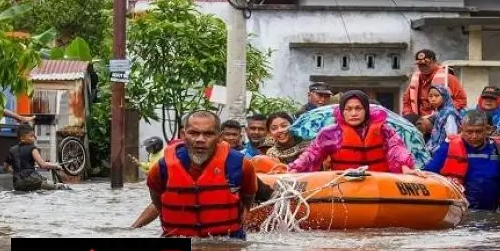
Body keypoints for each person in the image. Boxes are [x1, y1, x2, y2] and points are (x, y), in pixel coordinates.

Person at [141, 110, 273, 238]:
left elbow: (248, 195)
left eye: (208, 134)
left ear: (219, 137)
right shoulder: (161, 168)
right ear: (183, 134)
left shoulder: (241, 165)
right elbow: (157, 200)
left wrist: (243, 216)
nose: (200, 139)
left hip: (228, 242)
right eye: (193, 133)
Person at [424, 110, 500, 212]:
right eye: (469, 132)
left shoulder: (499, 149)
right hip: (461, 213)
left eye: (478, 131)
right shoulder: (449, 147)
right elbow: (428, 174)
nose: (474, 136)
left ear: (488, 129)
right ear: (461, 129)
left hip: (495, 212)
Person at [288, 90, 416, 173]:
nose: (353, 113)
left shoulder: (384, 129)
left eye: (358, 108)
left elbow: (397, 149)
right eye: (348, 109)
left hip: (381, 183)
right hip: (345, 185)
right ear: (342, 111)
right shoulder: (330, 133)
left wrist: (405, 167)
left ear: (366, 110)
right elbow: (312, 154)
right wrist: (294, 169)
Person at [402, 49, 467, 116]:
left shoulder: (448, 78)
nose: (423, 67)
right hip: (419, 119)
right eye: (420, 65)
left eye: (426, 64)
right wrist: (408, 114)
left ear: (435, 62)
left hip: (441, 118)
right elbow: (407, 101)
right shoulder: (416, 79)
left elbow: (461, 100)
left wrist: (443, 112)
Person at [3, 124, 66, 192]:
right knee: (60, 187)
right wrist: (56, 166)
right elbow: (43, 165)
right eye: (31, 136)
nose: (34, 138)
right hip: (33, 180)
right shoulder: (32, 148)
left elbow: (5, 167)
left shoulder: (12, 150)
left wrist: (17, 173)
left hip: (18, 184)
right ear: (22, 138)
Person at [425, 84, 462, 154]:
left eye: (437, 96)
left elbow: (452, 137)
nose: (433, 99)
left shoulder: (449, 114)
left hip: (445, 152)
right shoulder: (440, 112)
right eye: (430, 96)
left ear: (444, 96)